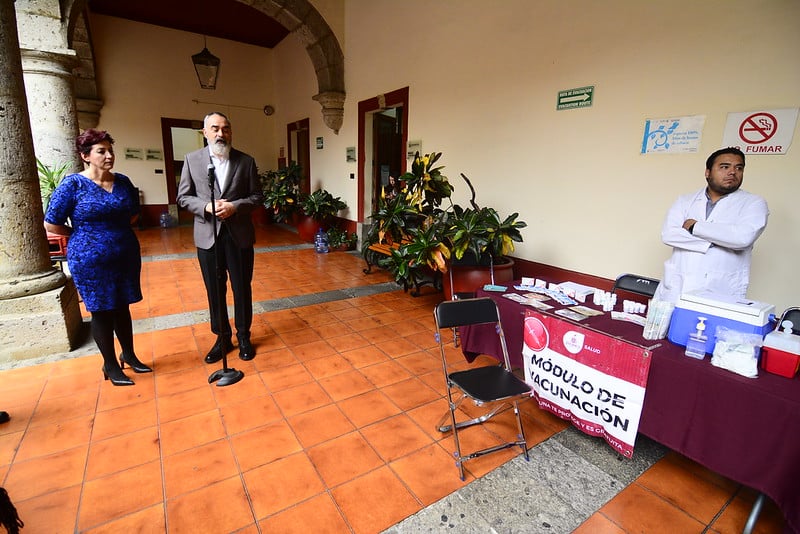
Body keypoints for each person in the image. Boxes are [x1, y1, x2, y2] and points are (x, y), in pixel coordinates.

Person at [45, 129, 150, 386]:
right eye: (101, 151)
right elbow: (51, 223)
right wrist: (83, 235)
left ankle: (129, 354)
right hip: (89, 259)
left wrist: (113, 232)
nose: (109, 155)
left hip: (124, 254)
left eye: (110, 150)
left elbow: (133, 213)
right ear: (85, 156)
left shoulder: (123, 181)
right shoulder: (73, 185)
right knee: (101, 311)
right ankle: (110, 364)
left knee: (122, 306)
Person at [177, 112, 263, 363]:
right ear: (205, 132)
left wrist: (235, 206)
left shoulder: (246, 161)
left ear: (231, 132)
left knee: (242, 288)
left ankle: (244, 336)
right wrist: (205, 206)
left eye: (225, 129)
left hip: (239, 236)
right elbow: (183, 197)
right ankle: (222, 338)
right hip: (208, 236)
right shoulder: (192, 160)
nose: (220, 134)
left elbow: (257, 197)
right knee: (214, 291)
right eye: (214, 129)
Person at [653, 147, 769, 303]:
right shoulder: (685, 201)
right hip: (677, 286)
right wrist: (717, 241)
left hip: (721, 290)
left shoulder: (754, 203)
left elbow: (742, 238)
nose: (732, 172)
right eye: (725, 167)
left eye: (739, 168)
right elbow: (669, 234)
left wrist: (695, 227)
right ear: (707, 172)